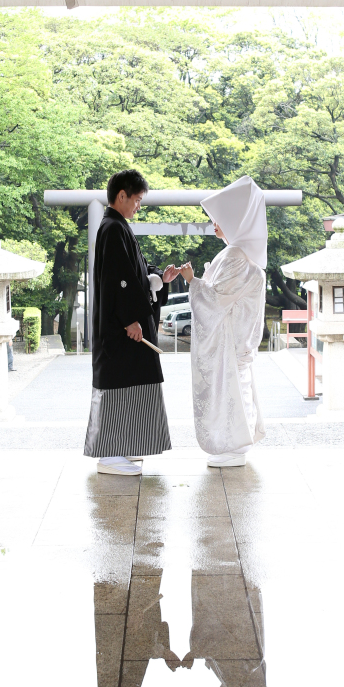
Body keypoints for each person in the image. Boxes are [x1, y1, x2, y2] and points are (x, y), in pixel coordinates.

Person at [85, 169, 179, 475]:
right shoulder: (112, 228)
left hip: (125, 328)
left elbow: (134, 274)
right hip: (121, 331)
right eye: (137, 199)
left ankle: (122, 447)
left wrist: (158, 279)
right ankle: (110, 454)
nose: (138, 205)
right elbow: (118, 281)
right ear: (121, 195)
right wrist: (130, 319)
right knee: (119, 386)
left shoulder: (117, 226)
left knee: (132, 385)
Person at [179, 175, 267, 468]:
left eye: (219, 218)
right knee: (236, 387)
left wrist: (192, 281)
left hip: (230, 343)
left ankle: (233, 443)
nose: (214, 223)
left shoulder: (235, 257)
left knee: (230, 389)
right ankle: (235, 442)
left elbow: (214, 301)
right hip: (238, 342)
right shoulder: (241, 255)